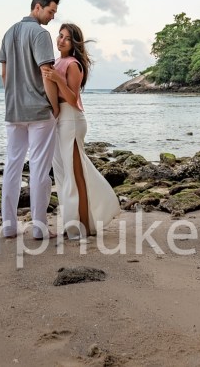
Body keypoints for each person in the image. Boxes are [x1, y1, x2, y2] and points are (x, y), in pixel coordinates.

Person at [42, 23, 120, 239]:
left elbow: (72, 98)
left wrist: (58, 79)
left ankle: (84, 226)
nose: (61, 41)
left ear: (74, 43)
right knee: (63, 175)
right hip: (59, 120)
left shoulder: (73, 64)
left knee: (76, 176)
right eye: (60, 36)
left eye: (67, 38)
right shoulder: (56, 61)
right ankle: (71, 224)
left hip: (72, 120)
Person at [0, 0, 60, 239]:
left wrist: (13, 98)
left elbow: (4, 74)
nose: (52, 17)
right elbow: (46, 72)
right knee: (39, 169)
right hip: (38, 111)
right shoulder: (40, 34)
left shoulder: (9, 32)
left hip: (13, 110)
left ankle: (9, 226)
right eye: (50, 11)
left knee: (12, 166)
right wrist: (54, 106)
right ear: (37, 7)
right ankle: (39, 228)